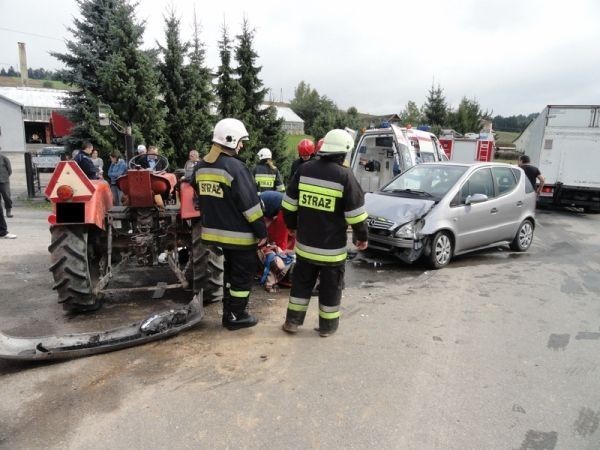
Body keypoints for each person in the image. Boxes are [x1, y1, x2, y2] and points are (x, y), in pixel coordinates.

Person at [281, 129, 368, 337]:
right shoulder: (345, 176)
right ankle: (327, 328)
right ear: (343, 152)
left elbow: (288, 204)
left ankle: (292, 322)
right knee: (330, 289)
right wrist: (362, 237)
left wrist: (292, 226)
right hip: (332, 251)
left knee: (300, 286)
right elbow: (356, 215)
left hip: (305, 246)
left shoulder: (304, 169)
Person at [192, 118, 267, 330]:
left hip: (214, 233)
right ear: (231, 139)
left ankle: (229, 313)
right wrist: (261, 231)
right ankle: (236, 316)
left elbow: (197, 191)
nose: (242, 145)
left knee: (229, 275)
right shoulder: (236, 167)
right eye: (240, 141)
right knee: (242, 277)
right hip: (239, 235)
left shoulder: (201, 166)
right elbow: (250, 206)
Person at [0, 150, 13, 218]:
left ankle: (8, 211)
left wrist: (5, 176)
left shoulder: (4, 158)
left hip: (4, 181)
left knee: (7, 197)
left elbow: (9, 170)